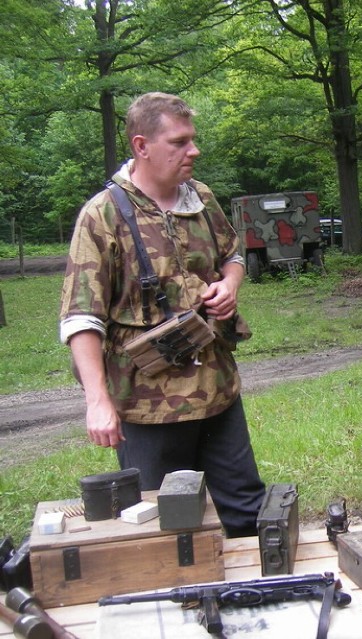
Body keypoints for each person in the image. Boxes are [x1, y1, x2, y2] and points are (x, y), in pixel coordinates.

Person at [59, 92, 265, 537]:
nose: (194, 151)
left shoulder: (202, 199)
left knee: (245, 509)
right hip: (145, 405)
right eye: (179, 142)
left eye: (192, 140)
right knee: (163, 526)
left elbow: (233, 255)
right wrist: (98, 401)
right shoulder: (103, 215)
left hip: (217, 391)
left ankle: (257, 599)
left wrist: (228, 286)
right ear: (141, 145)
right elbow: (81, 318)